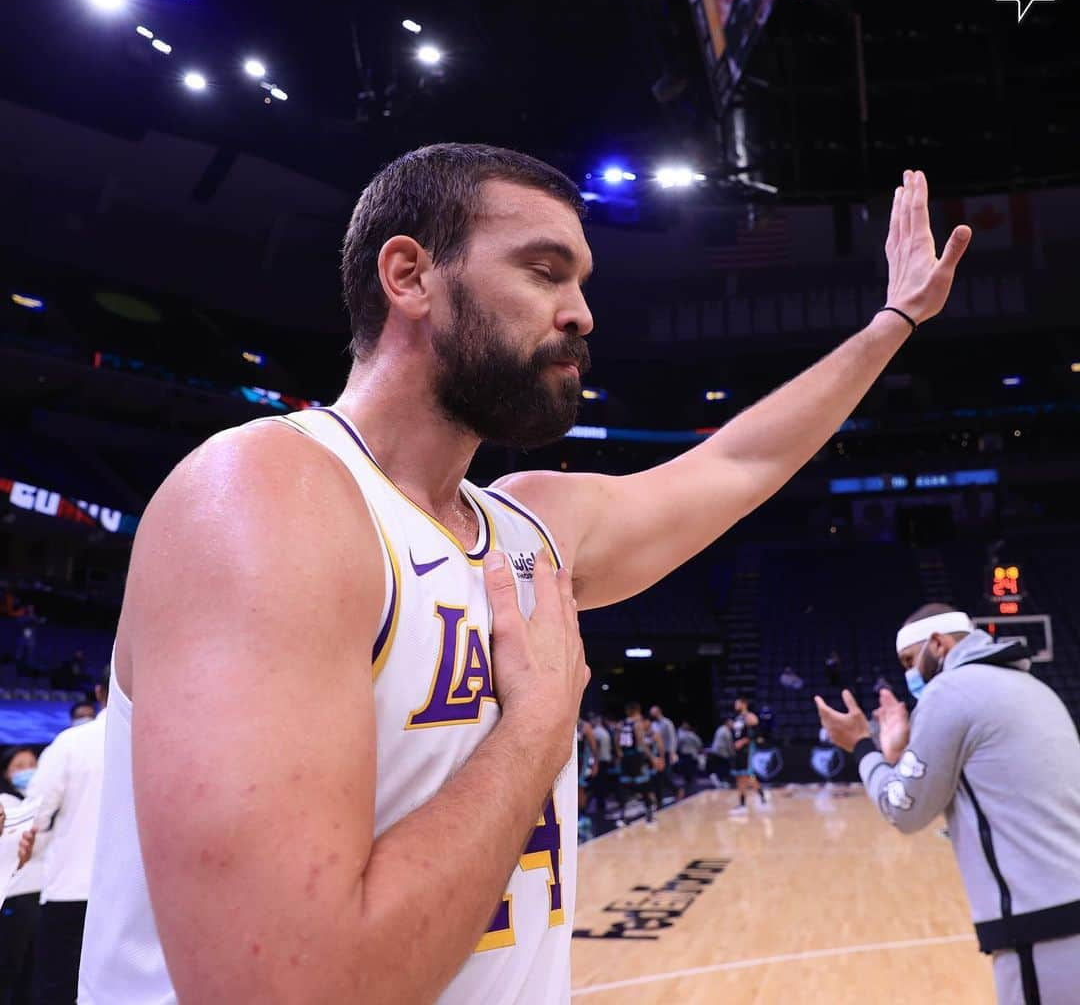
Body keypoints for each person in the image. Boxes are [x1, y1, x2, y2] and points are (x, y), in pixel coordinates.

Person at [78, 148, 969, 1003]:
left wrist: (894, 323)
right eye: (545, 272)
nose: (581, 313)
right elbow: (287, 987)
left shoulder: (530, 528)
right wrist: (539, 725)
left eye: (583, 284)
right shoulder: (266, 495)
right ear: (410, 276)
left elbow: (741, 463)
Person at [816, 604, 1080, 1005]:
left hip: (1041, 927)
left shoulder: (950, 690)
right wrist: (899, 753)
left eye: (909, 660)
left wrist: (861, 746)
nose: (909, 674)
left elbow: (902, 809)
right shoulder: (1033, 688)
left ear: (938, 644)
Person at [27, 667, 108, 1005]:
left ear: (100, 691)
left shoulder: (73, 742)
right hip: (138, 902)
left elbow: (34, 815)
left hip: (72, 892)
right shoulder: (168, 746)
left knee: (57, 992)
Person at [0, 747, 48, 1005]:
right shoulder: (7, 803)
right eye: (19, 765)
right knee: (11, 968)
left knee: (31, 970)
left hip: (39, 895)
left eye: (32, 763)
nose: (28, 769)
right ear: (6, 772)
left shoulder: (33, 800)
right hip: (15, 897)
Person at [729, 697, 767, 814]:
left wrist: (743, 741)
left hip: (747, 750)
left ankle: (761, 797)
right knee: (739, 777)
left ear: (744, 704)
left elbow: (757, 735)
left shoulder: (750, 717)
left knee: (747, 776)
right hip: (737, 751)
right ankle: (742, 804)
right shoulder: (737, 718)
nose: (735, 705)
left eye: (737, 703)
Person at [649, 705, 678, 803]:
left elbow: (672, 738)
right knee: (658, 776)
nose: (652, 715)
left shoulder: (667, 723)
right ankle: (660, 797)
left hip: (666, 752)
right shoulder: (653, 724)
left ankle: (676, 790)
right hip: (656, 752)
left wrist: (672, 752)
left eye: (653, 713)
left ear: (659, 712)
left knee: (665, 774)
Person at [675, 721, 703, 798]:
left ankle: (691, 790)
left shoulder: (682, 735)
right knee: (690, 775)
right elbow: (699, 744)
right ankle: (691, 789)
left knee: (689, 775)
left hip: (688, 756)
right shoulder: (692, 735)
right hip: (689, 756)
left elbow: (677, 745)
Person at [707, 718, 734, 787]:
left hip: (715, 752)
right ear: (727, 722)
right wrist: (732, 754)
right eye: (731, 722)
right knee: (725, 767)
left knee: (718, 767)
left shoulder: (720, 729)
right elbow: (729, 745)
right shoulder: (727, 731)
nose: (732, 724)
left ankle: (717, 780)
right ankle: (723, 782)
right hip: (721, 753)